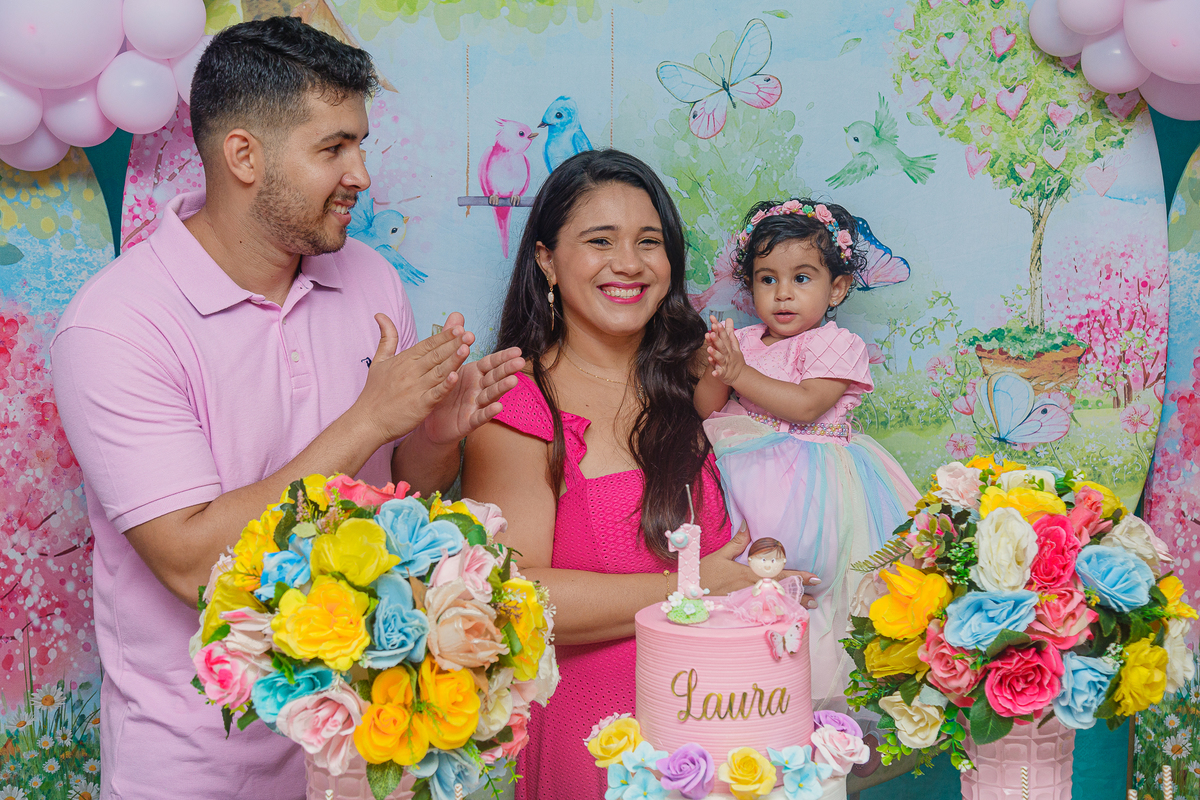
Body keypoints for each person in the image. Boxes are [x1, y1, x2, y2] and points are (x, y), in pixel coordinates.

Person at [50, 18, 522, 800]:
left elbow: (398, 499)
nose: (361, 174)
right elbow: (192, 563)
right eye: (333, 148)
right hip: (197, 768)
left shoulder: (369, 280)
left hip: (365, 750)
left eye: (360, 144)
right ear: (244, 156)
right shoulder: (117, 324)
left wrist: (434, 436)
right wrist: (368, 419)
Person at [461, 151, 817, 800]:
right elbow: (511, 596)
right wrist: (694, 586)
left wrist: (763, 587)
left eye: (648, 242)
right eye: (600, 241)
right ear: (546, 259)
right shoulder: (517, 400)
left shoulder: (697, 383)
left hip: (728, 736)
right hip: (599, 745)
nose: (628, 263)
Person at [694, 198, 920, 714]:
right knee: (751, 583)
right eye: (767, 279)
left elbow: (805, 406)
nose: (783, 293)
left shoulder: (835, 343)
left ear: (836, 288)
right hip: (748, 481)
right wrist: (717, 367)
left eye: (801, 278)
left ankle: (816, 694)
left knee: (826, 589)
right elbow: (708, 409)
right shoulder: (744, 341)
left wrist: (739, 373)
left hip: (818, 485)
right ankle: (755, 686)